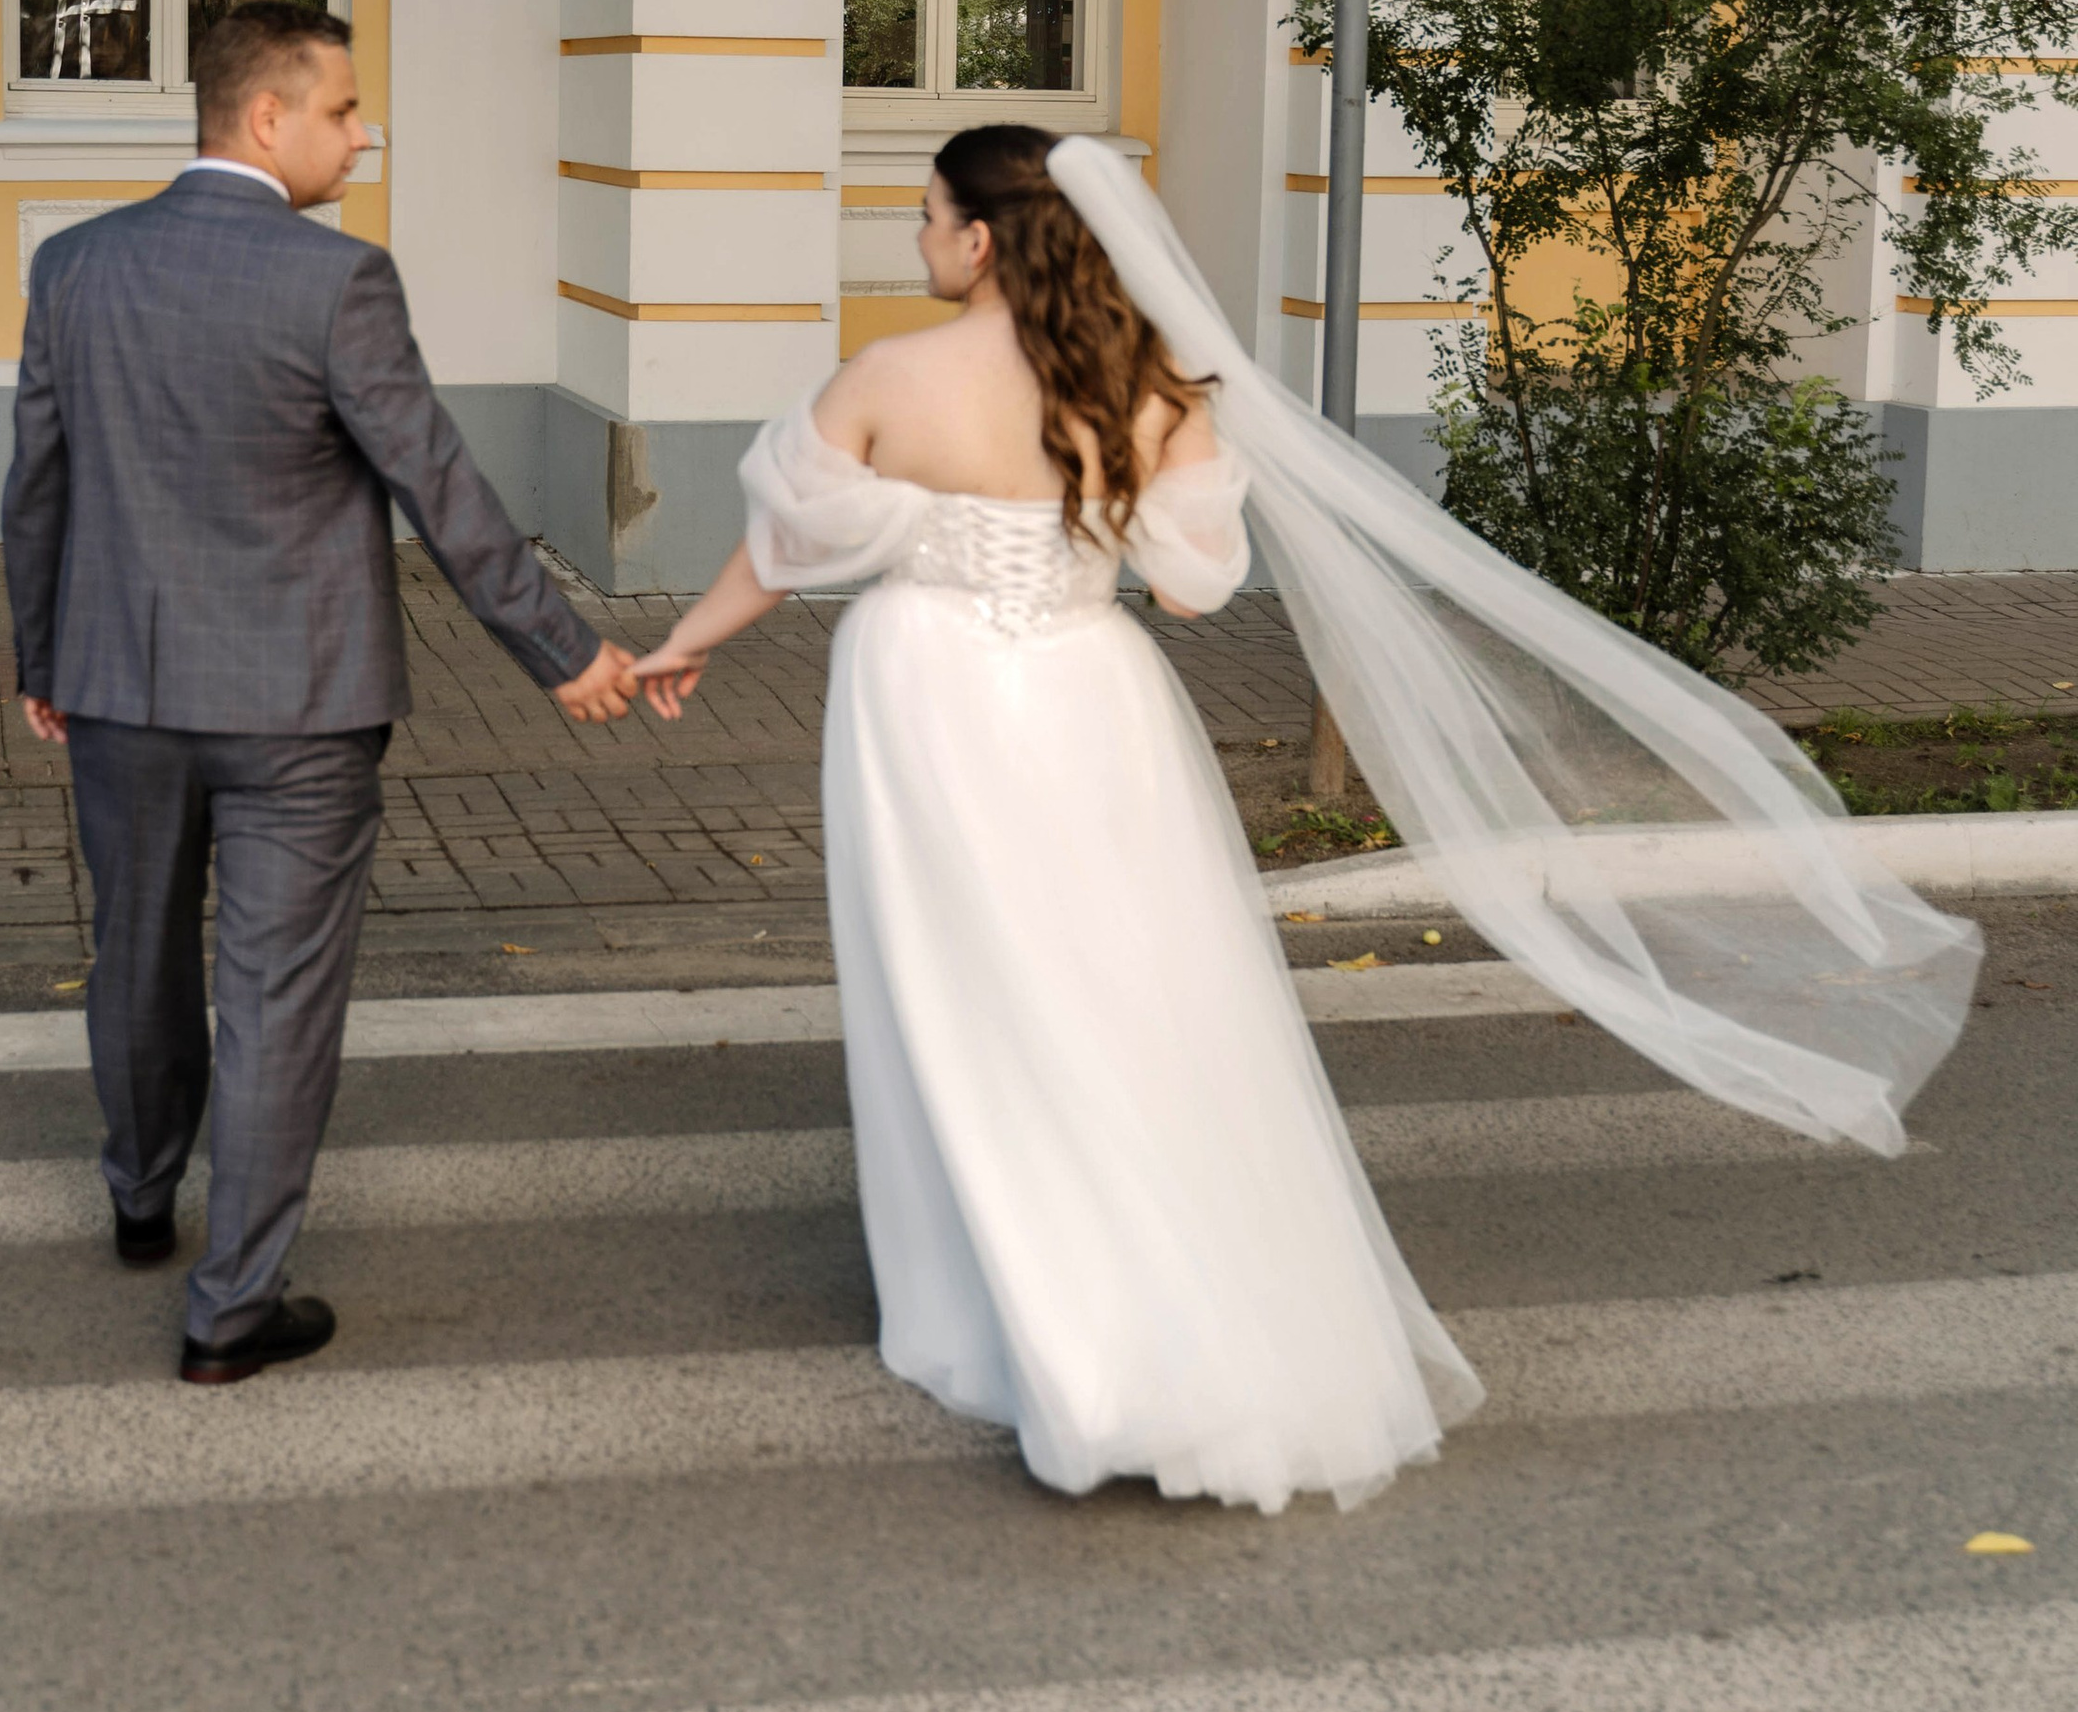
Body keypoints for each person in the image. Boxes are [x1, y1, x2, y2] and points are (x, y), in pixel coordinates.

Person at [633, 122, 1977, 1511]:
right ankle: (1166, 1299)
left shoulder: (883, 379)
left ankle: (1001, 1312)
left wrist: (681, 645)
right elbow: (1200, 590)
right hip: (1095, 709)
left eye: (923, 217)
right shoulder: (1153, 388)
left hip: (928, 704)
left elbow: (780, 549)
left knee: (964, 997)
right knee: (1130, 1000)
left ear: (979, 240)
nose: (914, 240)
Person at [1, 0, 635, 1385]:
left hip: (120, 685)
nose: (365, 132)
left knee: (139, 948)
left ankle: (137, 1194)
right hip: (301, 707)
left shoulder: (76, 266)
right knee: (276, 993)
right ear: (267, 117)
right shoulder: (335, 281)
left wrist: (43, 657)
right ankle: (231, 1309)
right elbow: (440, 483)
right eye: (345, 110)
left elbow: (38, 478)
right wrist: (564, 647)